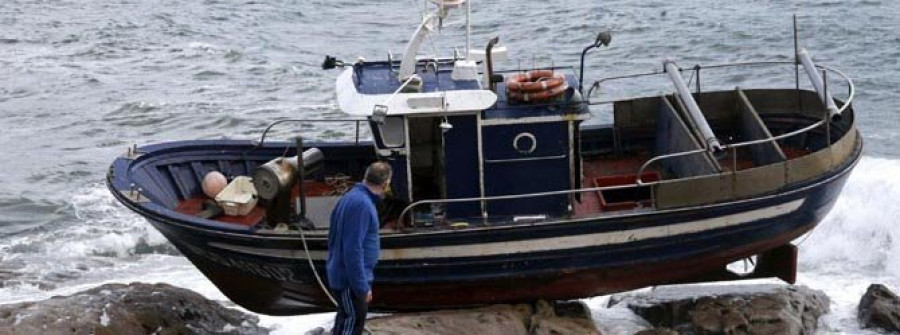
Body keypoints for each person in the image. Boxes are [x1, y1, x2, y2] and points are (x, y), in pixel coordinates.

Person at [326, 161, 392, 335]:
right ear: (385, 185)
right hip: (350, 281)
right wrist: (361, 286)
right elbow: (353, 249)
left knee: (345, 319)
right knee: (353, 322)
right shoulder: (362, 205)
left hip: (344, 275)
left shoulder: (351, 197)